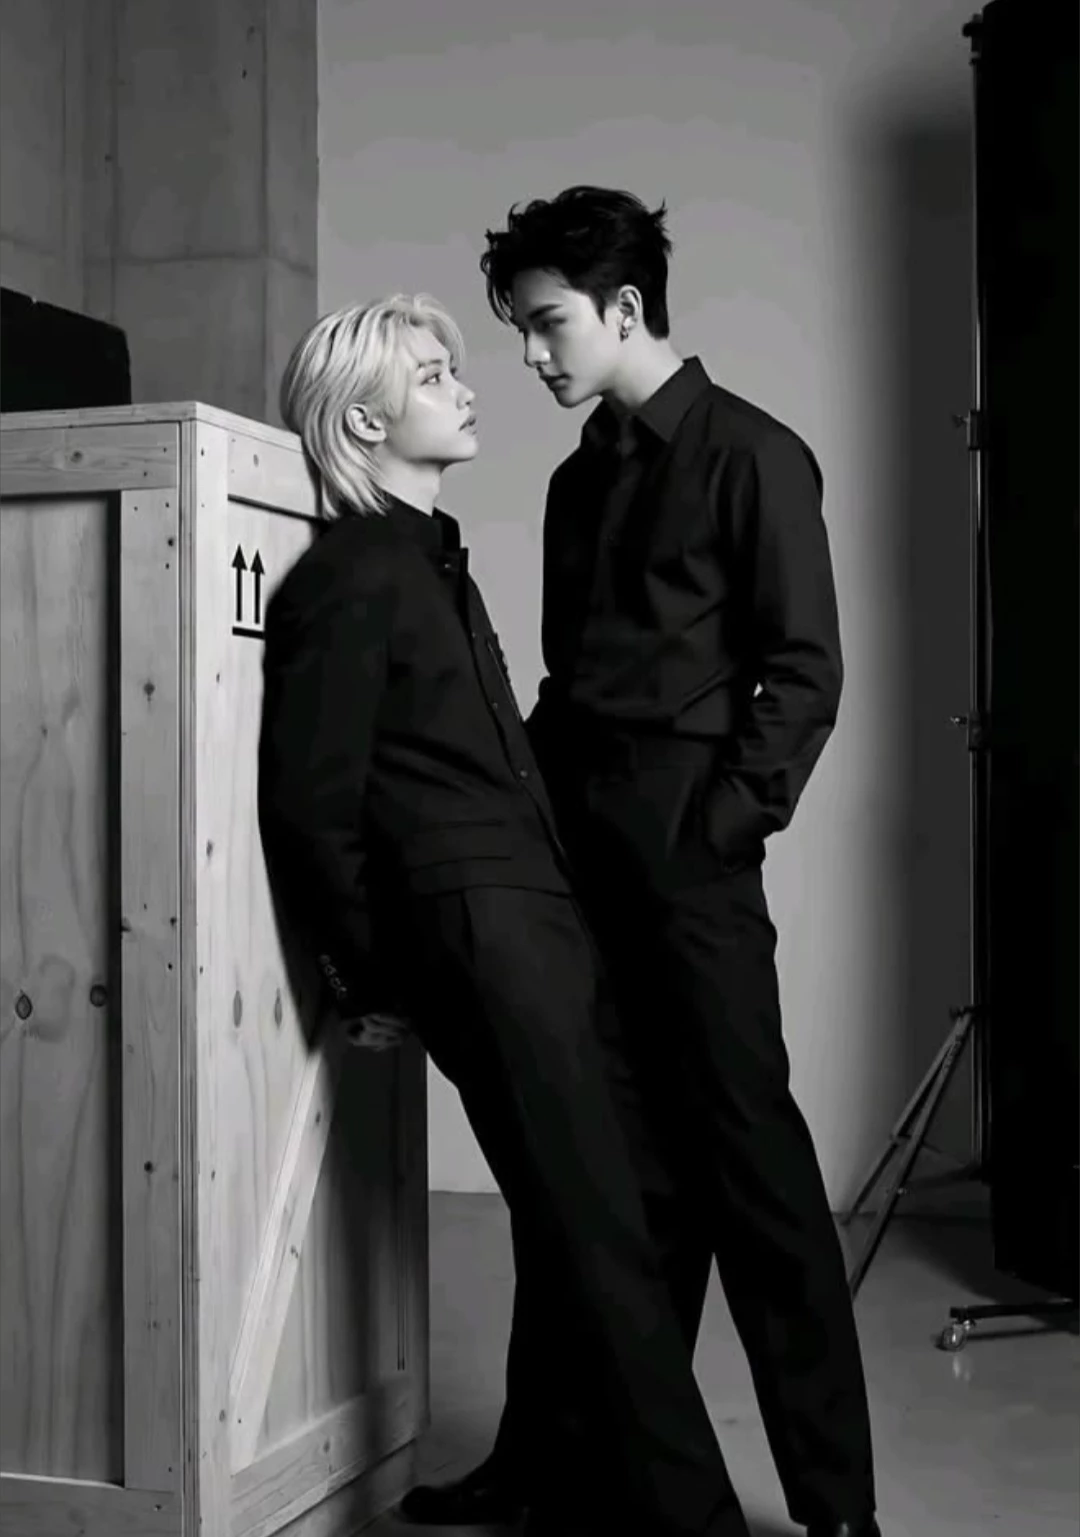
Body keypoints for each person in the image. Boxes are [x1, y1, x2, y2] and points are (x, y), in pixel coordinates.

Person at [402, 190, 882, 1537]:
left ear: (625, 307)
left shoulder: (755, 456)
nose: (532, 355)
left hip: (691, 858)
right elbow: (573, 686)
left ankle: (839, 1509)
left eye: (549, 323)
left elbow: (804, 672)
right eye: (522, 329)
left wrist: (718, 831)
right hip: (579, 857)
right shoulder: (576, 482)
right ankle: (543, 1460)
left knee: (757, 1184)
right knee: (587, 1174)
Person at [257, 293, 758, 1537]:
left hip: (541, 925)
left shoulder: (428, 560)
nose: (467, 386)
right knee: (605, 1226)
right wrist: (368, 976)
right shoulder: (352, 576)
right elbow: (310, 806)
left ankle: (537, 1464)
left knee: (614, 1201)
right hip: (480, 937)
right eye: (434, 375)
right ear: (364, 419)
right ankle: (688, 1518)